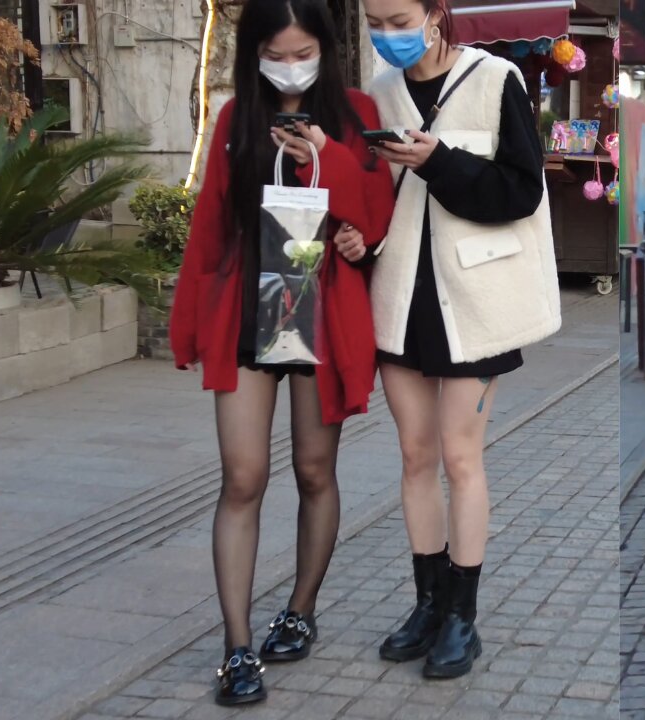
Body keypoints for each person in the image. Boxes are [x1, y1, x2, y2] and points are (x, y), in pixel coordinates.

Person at [169, 0, 394, 705]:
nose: (292, 65)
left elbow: (375, 212)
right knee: (242, 476)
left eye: (304, 52)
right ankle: (237, 648)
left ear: (326, 50)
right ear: (254, 51)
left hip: (320, 307)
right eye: (279, 52)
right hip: (246, 308)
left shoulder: (354, 112)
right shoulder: (237, 117)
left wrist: (325, 158)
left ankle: (300, 609)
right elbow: (211, 220)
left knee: (313, 468)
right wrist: (189, 324)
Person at [337, 0, 562, 680]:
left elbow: (521, 193)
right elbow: (370, 194)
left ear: (436, 13)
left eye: (399, 16)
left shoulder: (496, 79)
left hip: (475, 302)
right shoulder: (377, 94)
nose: (387, 32)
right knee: (414, 455)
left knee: (461, 458)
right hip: (400, 297)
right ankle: (428, 604)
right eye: (376, 19)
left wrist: (438, 160)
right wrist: (357, 235)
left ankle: (464, 616)